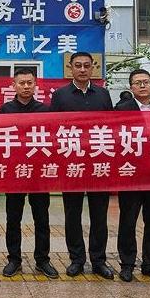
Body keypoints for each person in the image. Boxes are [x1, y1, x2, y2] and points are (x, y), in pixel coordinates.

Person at [49, 51, 115, 279]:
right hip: (72, 164)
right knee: (72, 213)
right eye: (78, 65)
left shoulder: (103, 95)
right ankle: (76, 259)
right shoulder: (60, 96)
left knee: (99, 214)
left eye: (87, 65)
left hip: (98, 163)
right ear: (71, 68)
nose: (83, 69)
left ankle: (98, 260)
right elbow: (53, 129)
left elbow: (112, 127)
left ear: (93, 67)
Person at [0, 68, 58, 279]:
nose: (25, 86)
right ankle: (14, 259)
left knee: (41, 218)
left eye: (29, 83)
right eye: (21, 83)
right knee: (13, 219)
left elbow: (53, 141)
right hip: (14, 173)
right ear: (13, 85)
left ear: (35, 85)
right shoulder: (5, 110)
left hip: (39, 174)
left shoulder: (45, 110)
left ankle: (42, 260)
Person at [114, 69, 150, 283]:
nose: (142, 85)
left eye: (146, 82)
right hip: (131, 174)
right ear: (131, 87)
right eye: (138, 83)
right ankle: (127, 264)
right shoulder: (121, 110)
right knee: (128, 221)